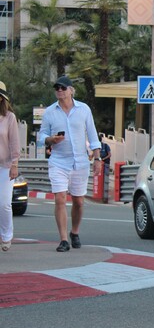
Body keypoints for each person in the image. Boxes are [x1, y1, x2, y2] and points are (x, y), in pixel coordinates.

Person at [39, 76, 101, 252]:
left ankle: (75, 232)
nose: (59, 90)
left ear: (71, 90)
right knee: (60, 198)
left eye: (63, 88)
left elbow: (92, 134)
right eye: (57, 88)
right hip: (58, 161)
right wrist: (51, 139)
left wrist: (97, 158)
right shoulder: (50, 112)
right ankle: (63, 239)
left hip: (80, 162)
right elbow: (41, 136)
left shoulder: (84, 110)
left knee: (79, 202)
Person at [0, 81, 20, 252]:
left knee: (4, 203)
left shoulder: (9, 118)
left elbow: (14, 143)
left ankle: (6, 236)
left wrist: (15, 164)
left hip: (5, 166)